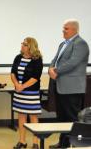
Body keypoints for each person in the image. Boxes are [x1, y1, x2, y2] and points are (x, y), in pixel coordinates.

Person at [48, 19, 89, 148]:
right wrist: (50, 68)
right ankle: (64, 142)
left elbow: (73, 62)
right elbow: (55, 59)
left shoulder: (80, 43)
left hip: (72, 88)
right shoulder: (63, 44)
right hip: (61, 86)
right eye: (63, 28)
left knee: (72, 117)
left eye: (66, 28)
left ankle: (75, 144)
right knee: (62, 117)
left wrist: (56, 71)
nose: (63, 30)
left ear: (74, 30)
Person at [11, 37, 43, 149]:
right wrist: (16, 85)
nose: (22, 45)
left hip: (31, 93)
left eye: (24, 44)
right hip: (19, 93)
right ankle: (22, 141)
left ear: (30, 46)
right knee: (21, 116)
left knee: (33, 117)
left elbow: (35, 77)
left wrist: (22, 86)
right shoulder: (18, 57)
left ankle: (35, 143)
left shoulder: (37, 59)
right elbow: (13, 73)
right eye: (22, 43)